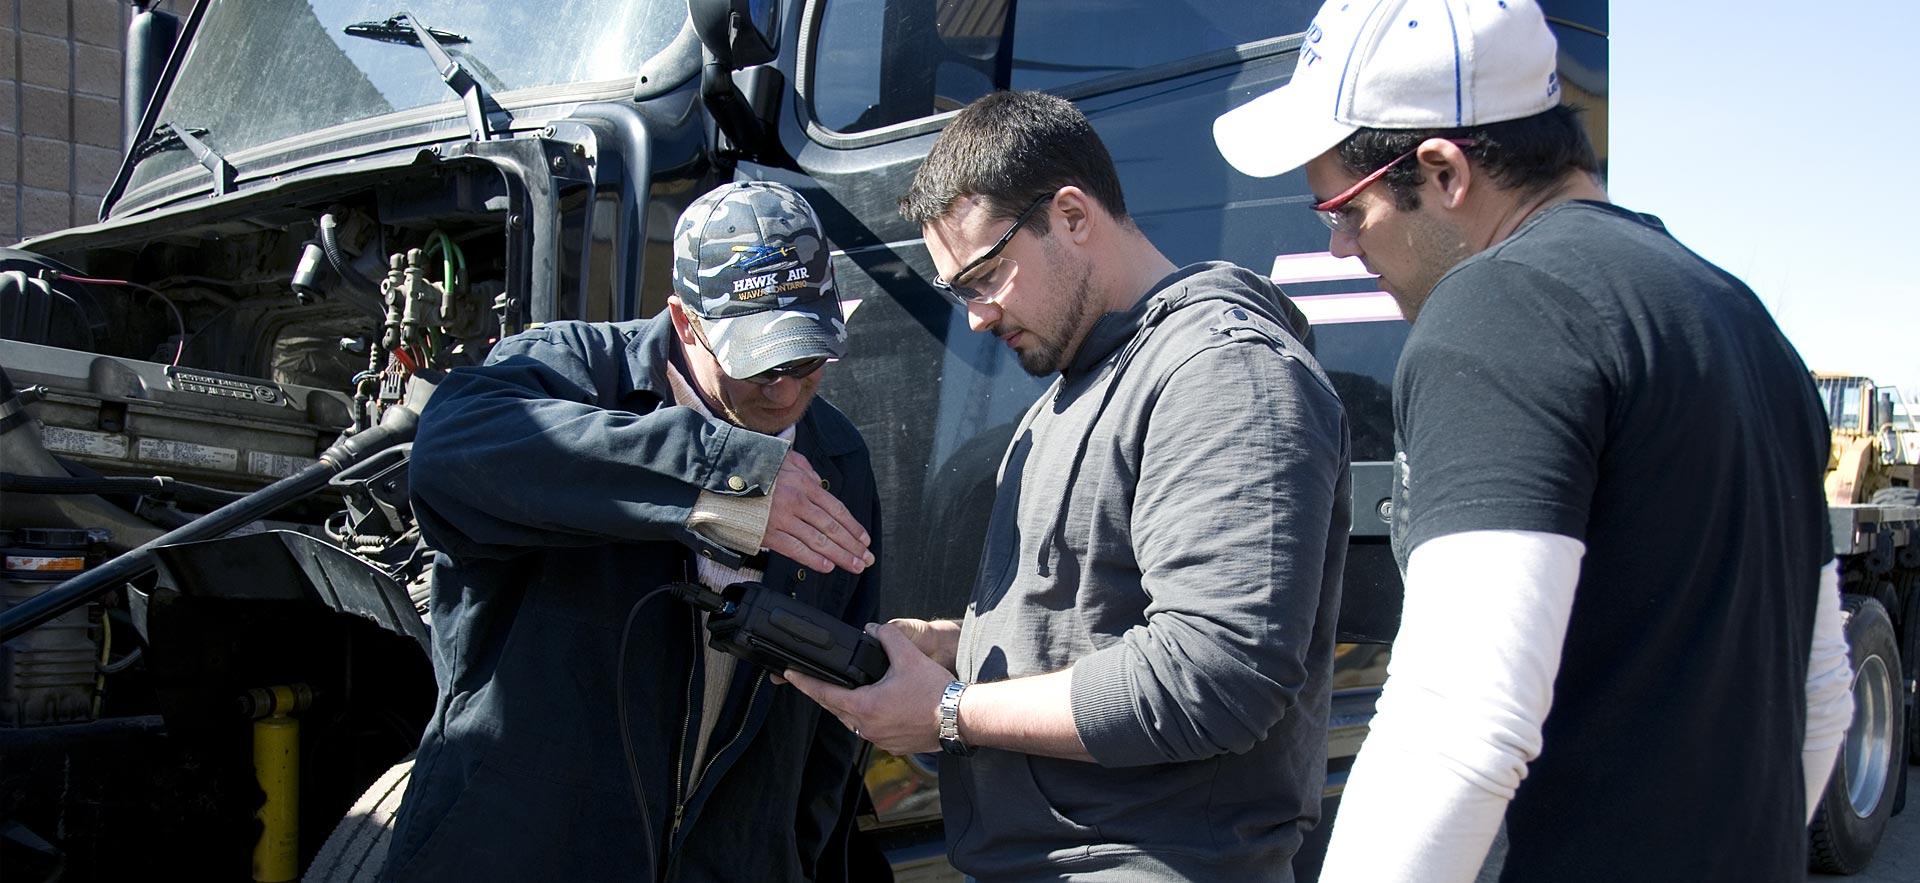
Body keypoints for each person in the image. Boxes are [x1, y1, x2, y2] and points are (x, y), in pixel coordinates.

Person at [1211, 1, 1856, 880]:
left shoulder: (1499, 312)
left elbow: (1460, 724)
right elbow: (1820, 697)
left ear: (1442, 171)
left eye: (1343, 209)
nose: (1335, 245)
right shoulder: (1741, 318)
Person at [784, 90, 1351, 881]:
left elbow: (1214, 676)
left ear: (1074, 216)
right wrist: (961, 646)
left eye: (985, 275)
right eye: (960, 291)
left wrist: (949, 712)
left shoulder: (1223, 371)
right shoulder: (1074, 388)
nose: (976, 317)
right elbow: (1101, 621)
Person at [382, 181, 881, 881]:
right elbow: (445, 455)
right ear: (684, 321)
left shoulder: (838, 460)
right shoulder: (571, 373)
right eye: (759, 363)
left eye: (805, 360)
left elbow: (823, 735)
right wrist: (716, 471)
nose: (784, 391)